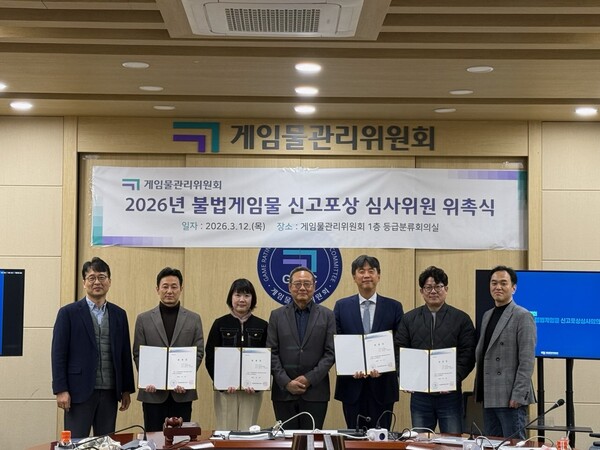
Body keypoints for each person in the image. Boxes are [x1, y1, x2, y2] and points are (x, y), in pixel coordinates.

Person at [51, 257, 135, 438]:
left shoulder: (119, 314)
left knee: (106, 443)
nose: (97, 282)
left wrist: (126, 389)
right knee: (76, 443)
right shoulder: (68, 313)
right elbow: (58, 354)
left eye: (102, 277)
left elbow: (124, 353)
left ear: (109, 281)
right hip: (77, 392)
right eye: (92, 278)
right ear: (84, 282)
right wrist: (60, 389)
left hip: (110, 391)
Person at [396, 265, 476, 433]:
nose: (433, 291)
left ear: (446, 289)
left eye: (438, 286)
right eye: (428, 287)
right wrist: (405, 377)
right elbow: (399, 351)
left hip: (450, 395)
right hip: (420, 395)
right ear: (421, 291)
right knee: (421, 441)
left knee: (452, 441)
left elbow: (468, 355)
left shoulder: (461, 319)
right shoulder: (409, 319)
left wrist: (453, 378)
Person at [333, 254, 404, 431]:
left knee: (381, 438)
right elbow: (337, 343)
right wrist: (350, 366)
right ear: (354, 277)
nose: (366, 275)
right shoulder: (341, 306)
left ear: (378, 276)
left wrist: (387, 366)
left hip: (383, 385)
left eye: (371, 271)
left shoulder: (394, 307)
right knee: (354, 437)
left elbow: (399, 344)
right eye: (361, 271)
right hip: (351, 386)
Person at [132, 267, 204, 432]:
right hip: (152, 393)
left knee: (180, 439)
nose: (169, 291)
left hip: (182, 392)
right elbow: (138, 353)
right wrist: (147, 379)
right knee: (154, 438)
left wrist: (185, 379)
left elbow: (199, 352)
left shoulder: (193, 319)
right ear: (157, 289)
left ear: (181, 289)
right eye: (165, 286)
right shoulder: (143, 319)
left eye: (174, 286)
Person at [267, 266, 336, 430]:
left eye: (307, 284)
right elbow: (271, 352)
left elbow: (331, 353)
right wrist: (286, 382)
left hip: (316, 392)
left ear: (314, 286)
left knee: (312, 440)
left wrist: (309, 378)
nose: (302, 288)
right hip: (284, 393)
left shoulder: (327, 315)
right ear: (289, 287)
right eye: (298, 284)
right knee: (286, 440)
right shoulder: (276, 316)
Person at [475, 265, 536, 439]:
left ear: (513, 288)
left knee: (513, 445)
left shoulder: (522, 315)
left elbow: (527, 360)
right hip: (489, 394)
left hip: (510, 397)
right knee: (491, 444)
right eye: (494, 283)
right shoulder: (487, 315)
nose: (498, 287)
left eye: (503, 283)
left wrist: (518, 394)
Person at [204, 278, 269, 431]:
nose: (242, 300)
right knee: (226, 430)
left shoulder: (262, 326)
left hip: (252, 390)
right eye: (237, 295)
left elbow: (268, 358)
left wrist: (258, 385)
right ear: (231, 297)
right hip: (226, 390)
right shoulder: (219, 324)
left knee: (248, 430)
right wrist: (221, 383)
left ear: (252, 299)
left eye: (246, 295)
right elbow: (210, 357)